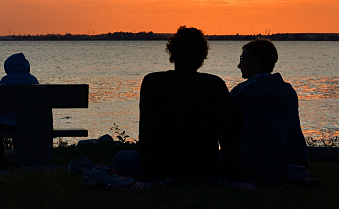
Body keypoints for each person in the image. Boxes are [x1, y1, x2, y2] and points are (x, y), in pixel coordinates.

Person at [123, 26, 233, 182]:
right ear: (202, 56)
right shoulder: (215, 84)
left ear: (172, 53)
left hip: (163, 166)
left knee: (120, 157)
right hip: (204, 165)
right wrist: (230, 175)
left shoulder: (153, 82)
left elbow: (147, 130)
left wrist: (148, 177)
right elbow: (226, 134)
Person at [229, 38, 310, 185]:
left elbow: (229, 130)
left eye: (243, 58)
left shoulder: (241, 93)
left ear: (256, 61)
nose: (239, 65)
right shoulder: (288, 91)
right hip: (295, 165)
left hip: (254, 167)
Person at [0, 52, 39, 166]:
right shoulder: (33, 81)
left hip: (5, 123)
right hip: (27, 123)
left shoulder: (6, 81)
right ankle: (22, 159)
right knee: (20, 128)